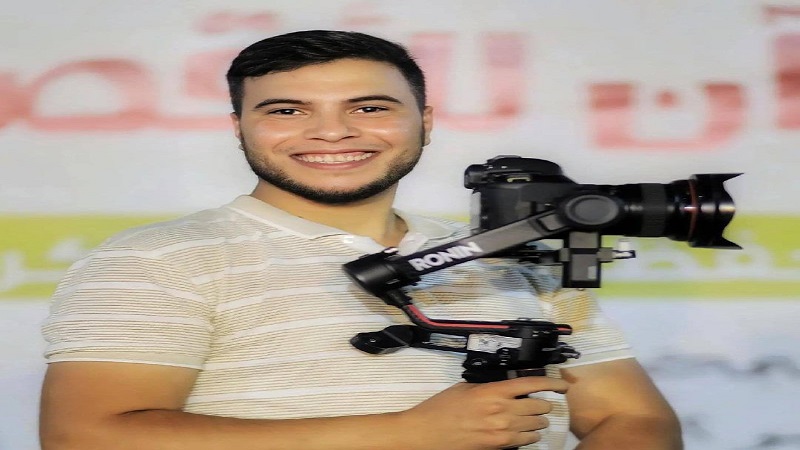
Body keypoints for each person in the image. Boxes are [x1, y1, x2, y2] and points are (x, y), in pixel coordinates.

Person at [39, 30, 682, 450]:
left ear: (425, 121)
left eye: (370, 107)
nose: (333, 132)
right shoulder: (154, 260)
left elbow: (632, 417)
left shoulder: (510, 251)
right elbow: (86, 435)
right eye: (287, 111)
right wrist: (405, 432)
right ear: (238, 128)